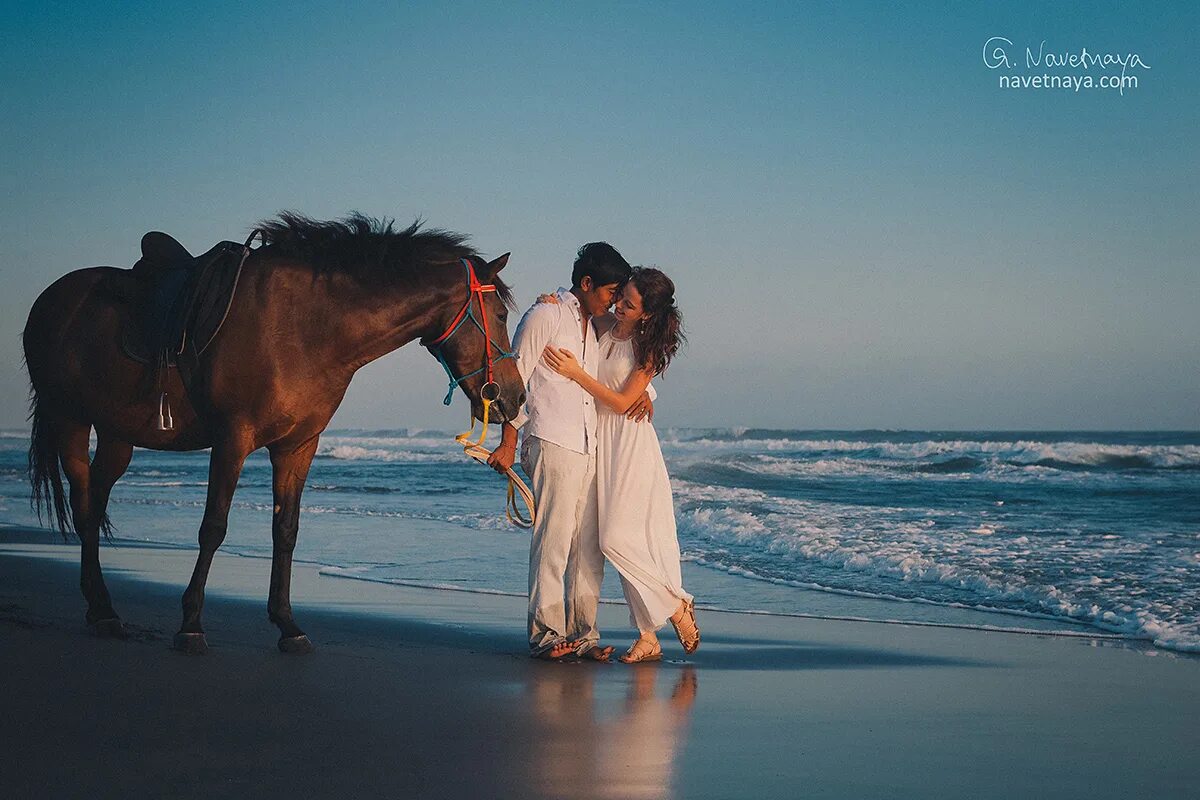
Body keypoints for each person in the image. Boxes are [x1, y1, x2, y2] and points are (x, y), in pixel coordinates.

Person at [487, 243, 653, 661]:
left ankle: (583, 635)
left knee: (587, 545)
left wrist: (646, 394)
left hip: (587, 442)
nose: (615, 301)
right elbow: (515, 380)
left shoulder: (593, 327)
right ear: (586, 283)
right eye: (611, 291)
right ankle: (545, 635)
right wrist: (508, 441)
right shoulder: (545, 315)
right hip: (551, 438)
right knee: (554, 539)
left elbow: (619, 370)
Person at [540, 267, 699, 663]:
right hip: (598, 442)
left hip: (628, 445)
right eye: (621, 296)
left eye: (630, 303)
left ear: (647, 313)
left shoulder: (649, 349)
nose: (620, 305)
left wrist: (577, 375)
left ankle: (676, 605)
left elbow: (623, 402)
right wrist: (549, 302)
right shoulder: (609, 323)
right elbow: (575, 310)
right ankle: (648, 636)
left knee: (617, 538)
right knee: (610, 536)